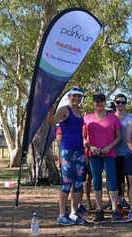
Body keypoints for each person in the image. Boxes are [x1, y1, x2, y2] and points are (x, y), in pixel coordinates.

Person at [47, 86, 86, 225]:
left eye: (79, 96)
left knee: (78, 184)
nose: (76, 98)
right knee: (66, 184)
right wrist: (50, 109)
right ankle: (62, 215)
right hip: (67, 151)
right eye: (74, 96)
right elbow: (51, 122)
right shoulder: (64, 110)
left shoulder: (80, 112)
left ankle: (74, 213)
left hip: (80, 151)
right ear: (69, 97)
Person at [83, 93, 121, 221]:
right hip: (94, 154)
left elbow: (119, 137)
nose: (99, 105)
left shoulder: (113, 118)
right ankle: (99, 210)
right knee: (96, 180)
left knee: (112, 180)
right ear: (93, 103)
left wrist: (109, 147)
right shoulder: (87, 118)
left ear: (105, 103)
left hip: (109, 153)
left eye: (102, 102)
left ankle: (115, 210)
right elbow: (83, 138)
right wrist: (90, 146)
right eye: (97, 102)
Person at [114, 94, 132, 209]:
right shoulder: (111, 117)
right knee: (117, 178)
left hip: (129, 153)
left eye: (123, 102)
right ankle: (119, 200)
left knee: (130, 179)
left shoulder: (131, 118)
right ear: (115, 103)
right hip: (114, 153)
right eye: (118, 102)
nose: (120, 104)